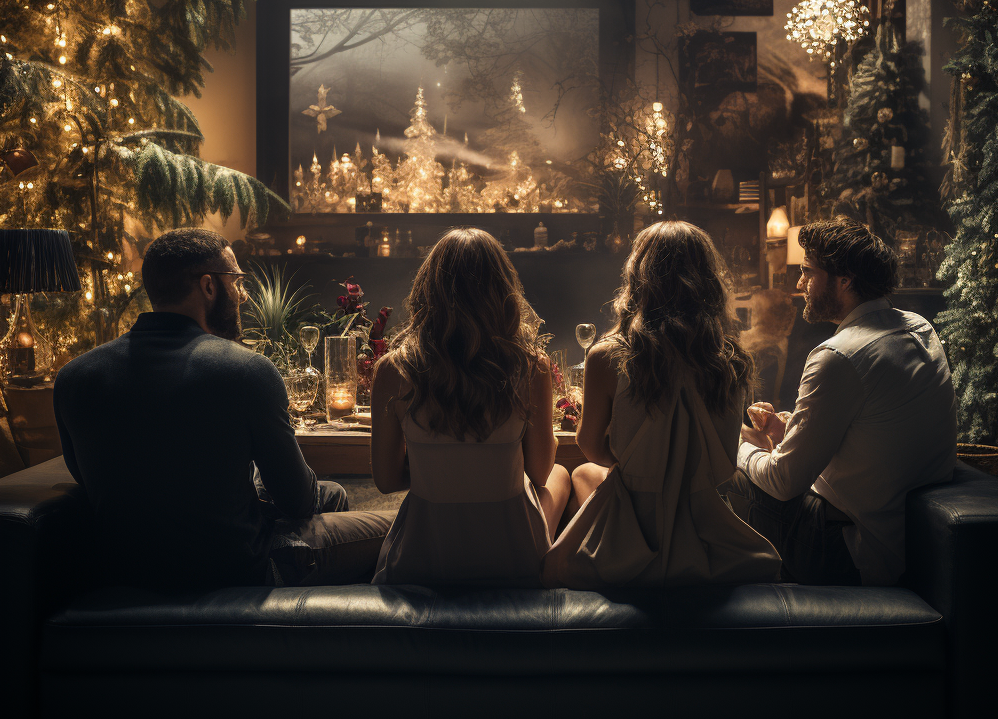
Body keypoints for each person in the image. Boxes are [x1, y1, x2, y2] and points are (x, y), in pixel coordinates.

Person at [53, 228, 394, 590]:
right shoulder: (244, 370)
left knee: (334, 493)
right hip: (235, 568)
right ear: (209, 286)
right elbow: (299, 502)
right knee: (395, 528)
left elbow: (87, 477)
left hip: (124, 572)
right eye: (237, 281)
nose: (243, 296)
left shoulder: (75, 377)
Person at [542, 221, 781, 589]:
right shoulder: (730, 360)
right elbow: (723, 451)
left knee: (580, 473)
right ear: (709, 281)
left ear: (638, 278)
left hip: (639, 518)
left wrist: (641, 464)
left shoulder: (608, 356)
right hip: (706, 523)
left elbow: (590, 447)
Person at [721, 216, 958, 587]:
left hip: (853, 550)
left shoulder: (839, 355)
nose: (799, 285)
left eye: (808, 273)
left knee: (721, 466)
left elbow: (784, 482)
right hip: (908, 539)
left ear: (844, 279)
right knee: (755, 450)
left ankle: (706, 601)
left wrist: (731, 447)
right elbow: (873, 436)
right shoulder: (918, 327)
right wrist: (791, 429)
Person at [370, 227, 571, 586]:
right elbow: (540, 472)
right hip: (512, 560)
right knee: (561, 476)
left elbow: (385, 481)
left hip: (423, 557)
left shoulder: (393, 370)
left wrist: (443, 466)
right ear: (502, 292)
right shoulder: (530, 367)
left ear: (428, 291)